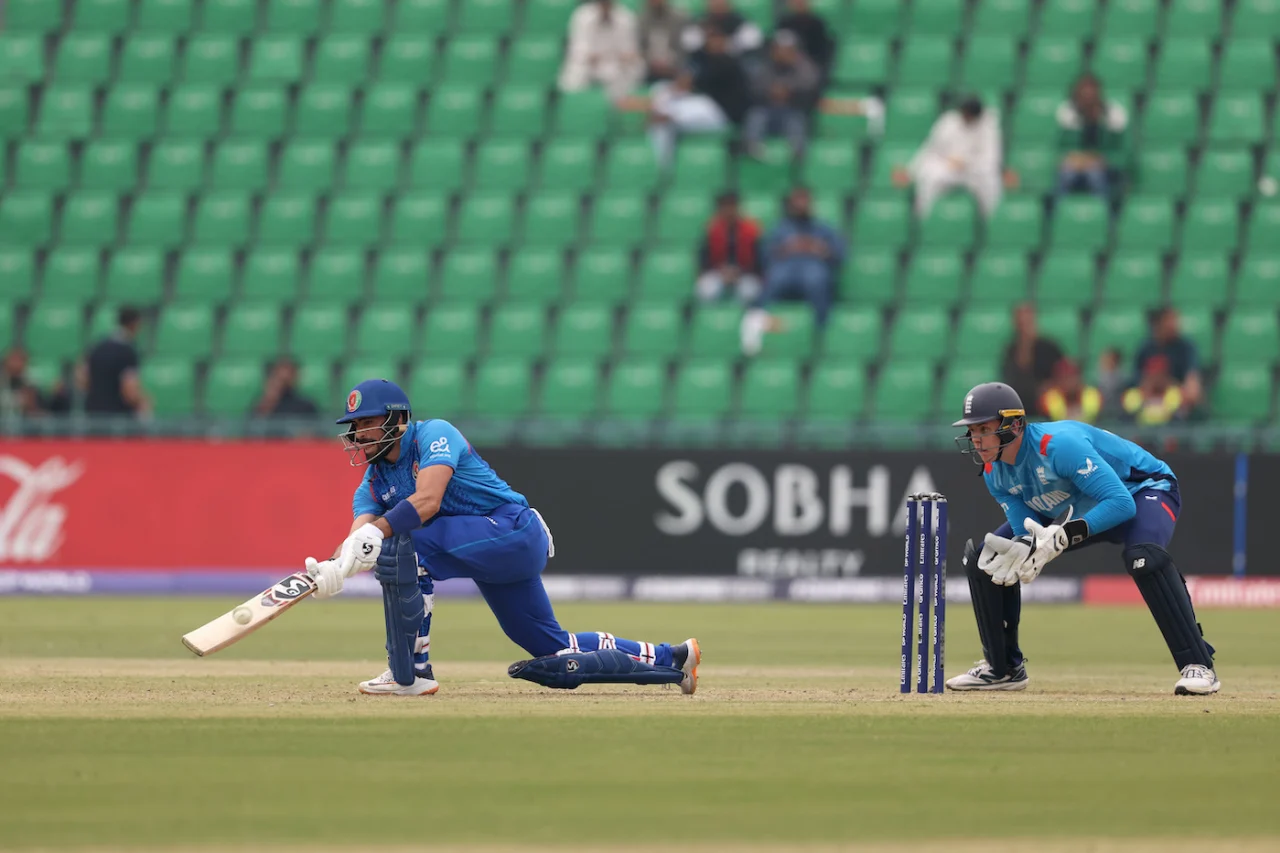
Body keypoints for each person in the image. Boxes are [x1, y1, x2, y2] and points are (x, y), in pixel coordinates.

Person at [305, 379, 701, 696]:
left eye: (364, 423)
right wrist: (335, 568)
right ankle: (674, 658)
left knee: (406, 547)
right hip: (490, 551)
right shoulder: (373, 481)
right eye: (353, 427)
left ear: (396, 418)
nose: (357, 434)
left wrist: (375, 537)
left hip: (511, 530)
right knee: (552, 647)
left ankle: (411, 672)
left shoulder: (433, 435)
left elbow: (426, 501)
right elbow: (360, 537)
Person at [946, 382, 1218, 696]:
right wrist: (1026, 546)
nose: (976, 439)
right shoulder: (994, 470)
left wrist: (1062, 537)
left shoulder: (1058, 445)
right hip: (1072, 505)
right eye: (972, 430)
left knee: (1144, 557)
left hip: (1142, 490)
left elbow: (1121, 504)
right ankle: (1002, 668)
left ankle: (1197, 664)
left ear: (1014, 424)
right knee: (986, 561)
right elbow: (1024, 531)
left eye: (984, 428)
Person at [893, 95, 1011, 218]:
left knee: (991, 180)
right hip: (948, 167)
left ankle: (990, 221)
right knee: (929, 175)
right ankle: (922, 219)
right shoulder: (948, 121)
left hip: (975, 171)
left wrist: (966, 162)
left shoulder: (990, 125)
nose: (966, 118)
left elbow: (991, 159)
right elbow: (930, 148)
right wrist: (910, 171)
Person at [615, 68, 731, 166]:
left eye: (686, 81)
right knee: (660, 127)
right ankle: (661, 167)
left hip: (711, 132)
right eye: (679, 80)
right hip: (684, 132)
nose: (682, 83)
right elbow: (631, 104)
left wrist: (654, 115)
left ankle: (663, 168)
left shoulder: (702, 102)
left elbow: (668, 117)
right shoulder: (667, 93)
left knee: (664, 125)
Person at [743, 31, 820, 159]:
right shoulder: (765, 65)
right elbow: (754, 89)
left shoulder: (805, 66)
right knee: (755, 117)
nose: (782, 53)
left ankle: (796, 161)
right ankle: (752, 153)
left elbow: (811, 89)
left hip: (793, 109)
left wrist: (790, 91)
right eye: (779, 49)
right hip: (767, 109)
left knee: (796, 122)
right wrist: (770, 92)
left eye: (787, 50)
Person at [1055, 73, 1129, 201]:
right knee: (1066, 174)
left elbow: (1124, 154)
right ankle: (1058, 214)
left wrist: (1104, 160)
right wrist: (1071, 159)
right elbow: (1059, 148)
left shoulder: (1114, 116)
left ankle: (1103, 215)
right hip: (1076, 166)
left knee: (1095, 175)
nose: (1088, 99)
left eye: (1091, 94)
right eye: (1083, 95)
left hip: (1105, 169)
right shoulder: (1067, 115)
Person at [558, 0, 645, 101]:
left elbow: (629, 50)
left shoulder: (626, 17)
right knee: (574, 74)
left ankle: (617, 109)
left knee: (636, 68)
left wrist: (622, 57)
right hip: (588, 65)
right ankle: (576, 106)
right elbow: (578, 49)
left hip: (615, 65)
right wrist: (592, 57)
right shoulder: (582, 15)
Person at [696, 190, 763, 303]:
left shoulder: (751, 230)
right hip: (718, 273)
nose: (729, 211)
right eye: (725, 207)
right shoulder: (711, 229)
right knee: (706, 290)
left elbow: (759, 260)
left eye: (732, 206)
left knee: (750, 292)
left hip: (744, 274)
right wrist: (721, 272)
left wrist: (739, 272)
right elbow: (704, 260)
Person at [84, 305, 150, 418]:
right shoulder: (128, 351)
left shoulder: (97, 347)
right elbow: (130, 392)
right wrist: (144, 402)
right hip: (118, 422)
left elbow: (83, 380)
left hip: (93, 418)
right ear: (134, 324)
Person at [1133, 306, 1202, 413]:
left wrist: (1169, 384)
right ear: (1157, 325)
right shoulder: (1146, 348)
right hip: (1148, 398)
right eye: (1169, 321)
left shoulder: (1185, 348)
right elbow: (1137, 380)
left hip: (1174, 397)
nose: (1175, 325)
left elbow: (1192, 382)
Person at [1000, 302, 1064, 410]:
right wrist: (1026, 344)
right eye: (1021, 322)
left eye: (1028, 321)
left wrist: (1050, 385)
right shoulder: (1011, 349)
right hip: (1021, 400)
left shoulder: (1049, 347)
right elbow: (1012, 376)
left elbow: (1063, 373)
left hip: (1048, 400)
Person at [637, 0, 690, 81]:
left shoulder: (679, 19)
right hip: (648, 69)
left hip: (674, 69)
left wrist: (673, 64)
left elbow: (684, 48)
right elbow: (639, 47)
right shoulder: (642, 20)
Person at [1038, 358, 1102, 424]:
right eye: (1063, 377)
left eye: (1071, 376)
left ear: (1079, 377)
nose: (1068, 381)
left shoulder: (1092, 395)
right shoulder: (1049, 398)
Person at [254, 357, 319, 418]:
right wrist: (269, 401)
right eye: (278, 376)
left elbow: (317, 426)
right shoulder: (262, 404)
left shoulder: (306, 406)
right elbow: (253, 425)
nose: (284, 377)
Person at [1, 347, 45, 418]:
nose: (15, 364)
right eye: (13, 359)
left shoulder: (31, 384)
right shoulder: (2, 382)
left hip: (23, 425)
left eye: (20, 360)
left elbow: (37, 412)